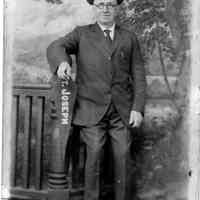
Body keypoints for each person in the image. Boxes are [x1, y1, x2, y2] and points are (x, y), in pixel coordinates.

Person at [47, 0, 146, 199]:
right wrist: (62, 63)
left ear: (116, 7)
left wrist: (138, 108)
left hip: (122, 112)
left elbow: (139, 76)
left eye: (110, 4)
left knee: (123, 158)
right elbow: (56, 46)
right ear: (94, 7)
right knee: (94, 157)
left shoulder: (129, 37)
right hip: (91, 109)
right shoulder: (82, 33)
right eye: (101, 4)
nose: (105, 9)